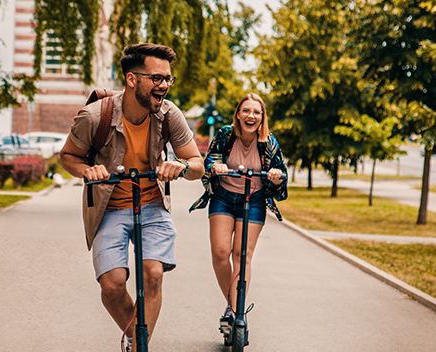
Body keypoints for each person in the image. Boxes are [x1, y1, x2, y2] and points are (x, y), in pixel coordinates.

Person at [60, 43, 204, 352]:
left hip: (152, 204)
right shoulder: (95, 115)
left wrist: (178, 165)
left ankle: (139, 346)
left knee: (153, 273)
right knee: (112, 285)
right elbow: (67, 157)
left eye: (167, 78)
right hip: (108, 208)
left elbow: (197, 165)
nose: (163, 85)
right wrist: (87, 170)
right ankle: (134, 335)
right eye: (156, 77)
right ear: (132, 79)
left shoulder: (169, 115)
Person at [189, 93, 288, 334]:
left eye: (256, 112)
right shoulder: (225, 135)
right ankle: (234, 307)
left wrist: (276, 177)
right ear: (238, 114)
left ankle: (235, 312)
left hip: (252, 200)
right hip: (223, 198)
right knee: (221, 252)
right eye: (246, 111)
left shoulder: (270, 144)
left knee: (241, 255)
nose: (250, 116)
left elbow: (281, 184)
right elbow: (208, 162)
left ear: (262, 117)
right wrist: (216, 166)